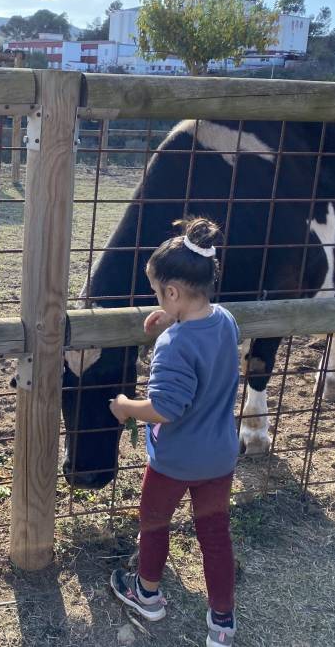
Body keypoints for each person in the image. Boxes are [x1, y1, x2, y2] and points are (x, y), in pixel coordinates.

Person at [107, 217, 240, 647]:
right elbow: (202, 348)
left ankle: (147, 594)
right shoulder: (225, 321)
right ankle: (222, 621)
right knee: (215, 534)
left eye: (158, 292)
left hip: (175, 461)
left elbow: (165, 407)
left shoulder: (174, 345)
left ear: (173, 292)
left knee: (155, 524)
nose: (156, 299)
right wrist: (171, 320)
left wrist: (127, 407)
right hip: (220, 457)